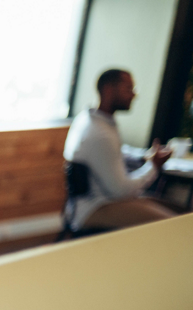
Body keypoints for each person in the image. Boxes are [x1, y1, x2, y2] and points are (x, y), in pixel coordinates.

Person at [63, 68, 177, 232]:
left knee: (176, 209)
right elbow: (121, 191)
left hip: (85, 204)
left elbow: (112, 152)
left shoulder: (89, 119)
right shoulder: (101, 135)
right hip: (96, 208)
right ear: (109, 89)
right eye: (128, 89)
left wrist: (144, 156)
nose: (133, 95)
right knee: (176, 224)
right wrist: (153, 167)